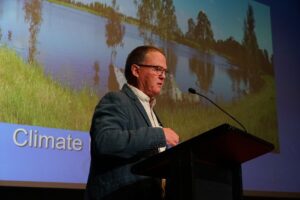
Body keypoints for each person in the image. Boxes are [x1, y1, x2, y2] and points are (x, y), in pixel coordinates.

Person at [85, 45, 180, 200]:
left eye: (164, 71)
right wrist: (159, 134)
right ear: (136, 70)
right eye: (157, 69)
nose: (163, 76)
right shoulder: (117, 100)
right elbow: (104, 141)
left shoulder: (151, 111)